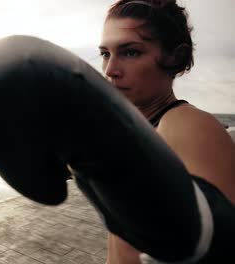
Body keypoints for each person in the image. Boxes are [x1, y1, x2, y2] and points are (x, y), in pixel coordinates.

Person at [98, 0, 235, 263]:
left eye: (130, 52)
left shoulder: (185, 125)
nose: (110, 70)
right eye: (105, 54)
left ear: (175, 57)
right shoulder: (140, 132)